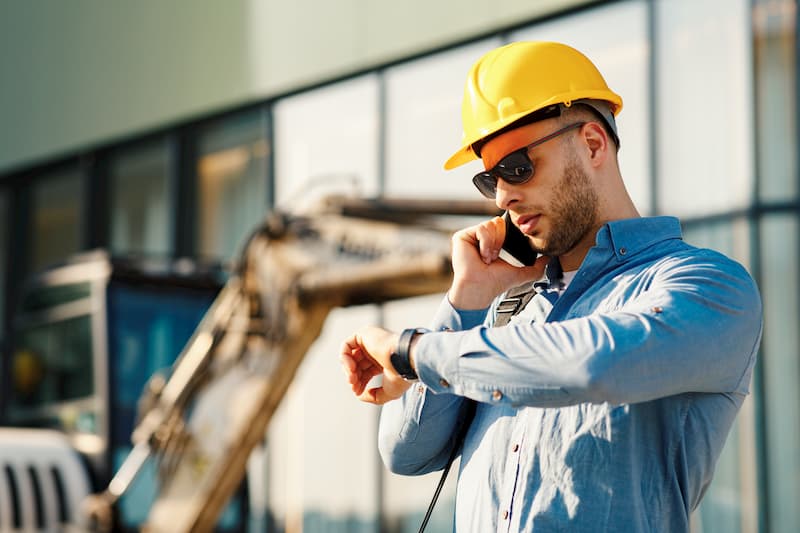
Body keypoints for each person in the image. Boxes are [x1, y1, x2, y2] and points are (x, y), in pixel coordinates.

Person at [338, 41, 762, 532]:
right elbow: (405, 451)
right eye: (489, 179)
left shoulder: (707, 286)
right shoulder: (503, 314)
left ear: (593, 144)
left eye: (518, 166)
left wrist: (414, 352)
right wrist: (465, 302)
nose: (502, 195)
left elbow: (592, 363)